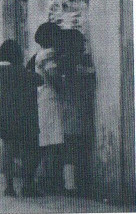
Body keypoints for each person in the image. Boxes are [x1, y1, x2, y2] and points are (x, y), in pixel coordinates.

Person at [0, 39, 41, 197]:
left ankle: (9, 187)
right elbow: (39, 80)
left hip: (2, 116)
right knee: (28, 151)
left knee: (8, 152)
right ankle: (27, 186)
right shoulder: (20, 71)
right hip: (23, 116)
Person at [58, 29, 95, 197]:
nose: (84, 45)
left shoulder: (63, 60)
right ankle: (72, 185)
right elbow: (88, 76)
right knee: (75, 147)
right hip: (76, 108)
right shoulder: (76, 61)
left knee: (70, 147)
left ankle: (69, 184)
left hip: (68, 107)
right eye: (81, 41)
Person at [30, 22, 65, 194]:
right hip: (49, 100)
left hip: (42, 99)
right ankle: (48, 181)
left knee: (46, 142)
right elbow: (55, 79)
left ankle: (43, 179)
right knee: (52, 142)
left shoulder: (39, 55)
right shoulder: (48, 56)